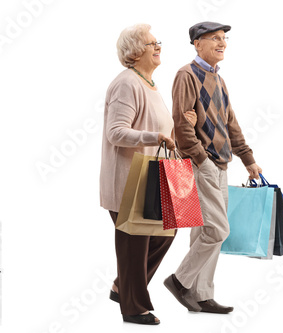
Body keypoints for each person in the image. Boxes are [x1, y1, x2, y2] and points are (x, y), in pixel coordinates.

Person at [100, 23, 196, 325]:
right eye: (151, 43)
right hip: (127, 182)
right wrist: (154, 137)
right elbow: (116, 133)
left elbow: (163, 132)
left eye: (158, 42)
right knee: (134, 246)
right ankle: (134, 307)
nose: (158, 47)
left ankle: (123, 287)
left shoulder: (149, 84)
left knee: (167, 232)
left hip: (152, 180)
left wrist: (181, 125)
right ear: (134, 52)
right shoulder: (126, 84)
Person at [164, 21, 263, 314]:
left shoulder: (218, 79)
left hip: (221, 164)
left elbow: (231, 124)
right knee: (218, 230)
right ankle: (179, 281)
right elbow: (182, 125)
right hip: (200, 164)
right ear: (197, 43)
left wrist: (248, 159)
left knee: (204, 232)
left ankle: (202, 294)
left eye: (224, 38)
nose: (222, 43)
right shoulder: (186, 75)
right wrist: (202, 160)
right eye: (215, 38)